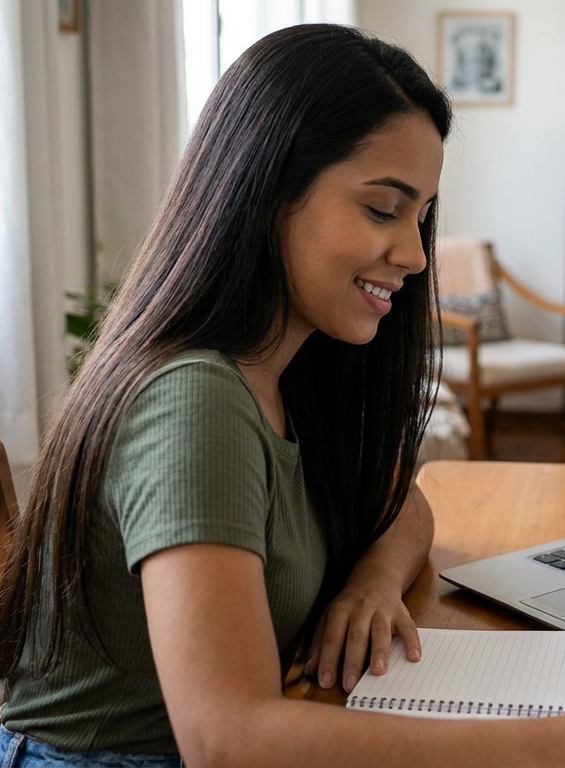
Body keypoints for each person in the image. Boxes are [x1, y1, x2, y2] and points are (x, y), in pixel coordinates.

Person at [0, 22, 561, 768]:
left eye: (420, 215)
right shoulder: (193, 398)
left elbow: (403, 502)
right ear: (266, 193)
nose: (416, 254)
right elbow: (227, 740)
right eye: (380, 209)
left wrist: (371, 584)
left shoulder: (297, 367)